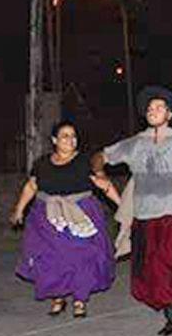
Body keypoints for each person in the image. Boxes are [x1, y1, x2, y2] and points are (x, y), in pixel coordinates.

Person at [92, 86, 172, 336]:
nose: (153, 111)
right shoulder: (135, 143)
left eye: (158, 107)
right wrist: (100, 175)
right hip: (145, 216)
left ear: (169, 114)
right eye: (149, 108)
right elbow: (100, 156)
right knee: (154, 271)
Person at [9, 120, 118, 318]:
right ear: (54, 140)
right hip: (47, 217)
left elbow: (104, 184)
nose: (71, 140)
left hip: (80, 214)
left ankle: (79, 299)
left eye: (73, 136)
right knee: (52, 258)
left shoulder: (84, 161)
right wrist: (19, 210)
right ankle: (57, 296)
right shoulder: (42, 163)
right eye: (65, 136)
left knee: (81, 256)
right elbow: (31, 186)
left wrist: (122, 206)